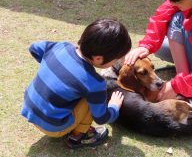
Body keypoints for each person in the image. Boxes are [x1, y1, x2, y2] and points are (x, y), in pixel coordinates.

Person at [21, 19, 131, 149]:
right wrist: (114, 107)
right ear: (98, 58)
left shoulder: (61, 46)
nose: (116, 63)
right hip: (53, 127)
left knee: (82, 91)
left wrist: (51, 66)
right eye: (115, 60)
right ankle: (78, 137)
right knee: (90, 98)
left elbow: (34, 48)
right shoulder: (94, 83)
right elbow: (101, 118)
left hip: (29, 110)